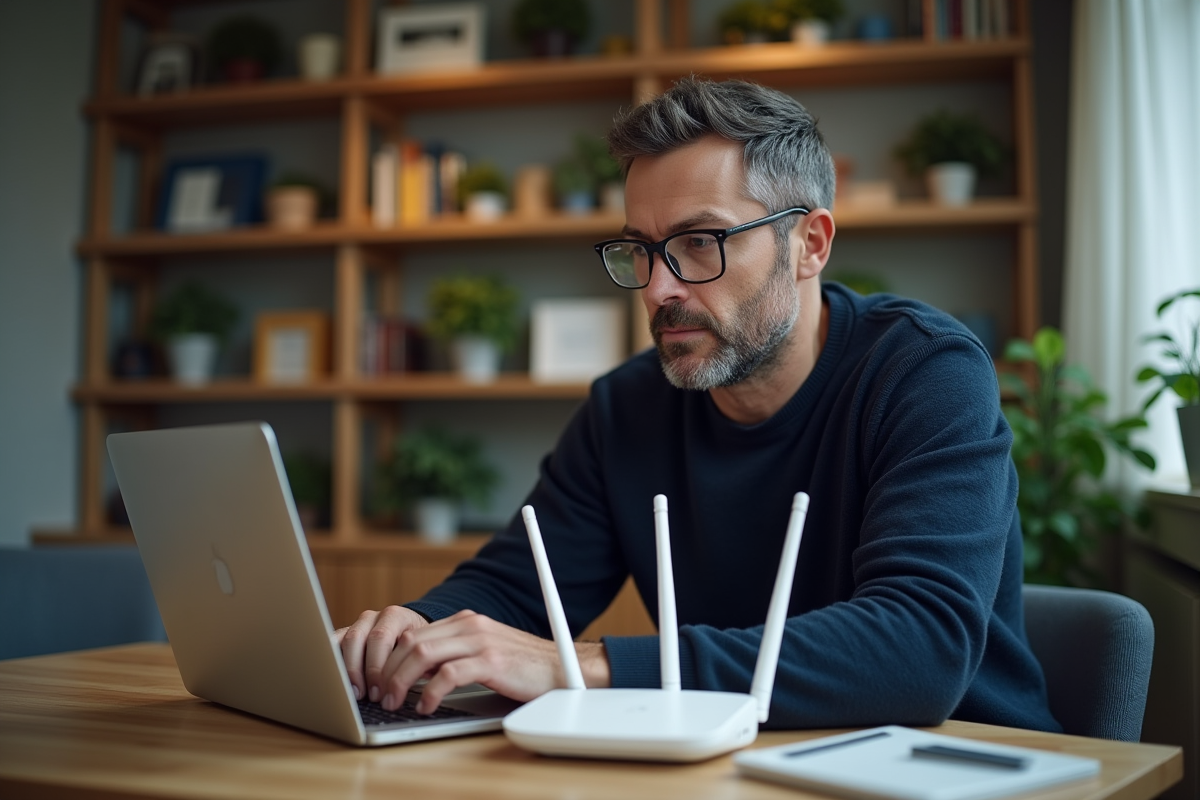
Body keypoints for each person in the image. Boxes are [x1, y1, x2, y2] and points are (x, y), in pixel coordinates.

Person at [337, 77, 1060, 733]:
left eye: (700, 241)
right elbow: (519, 587)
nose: (659, 289)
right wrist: (410, 634)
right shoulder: (627, 407)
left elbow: (919, 651)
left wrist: (583, 666)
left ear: (809, 244)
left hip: (958, 763)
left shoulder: (924, 374)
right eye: (641, 250)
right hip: (735, 764)